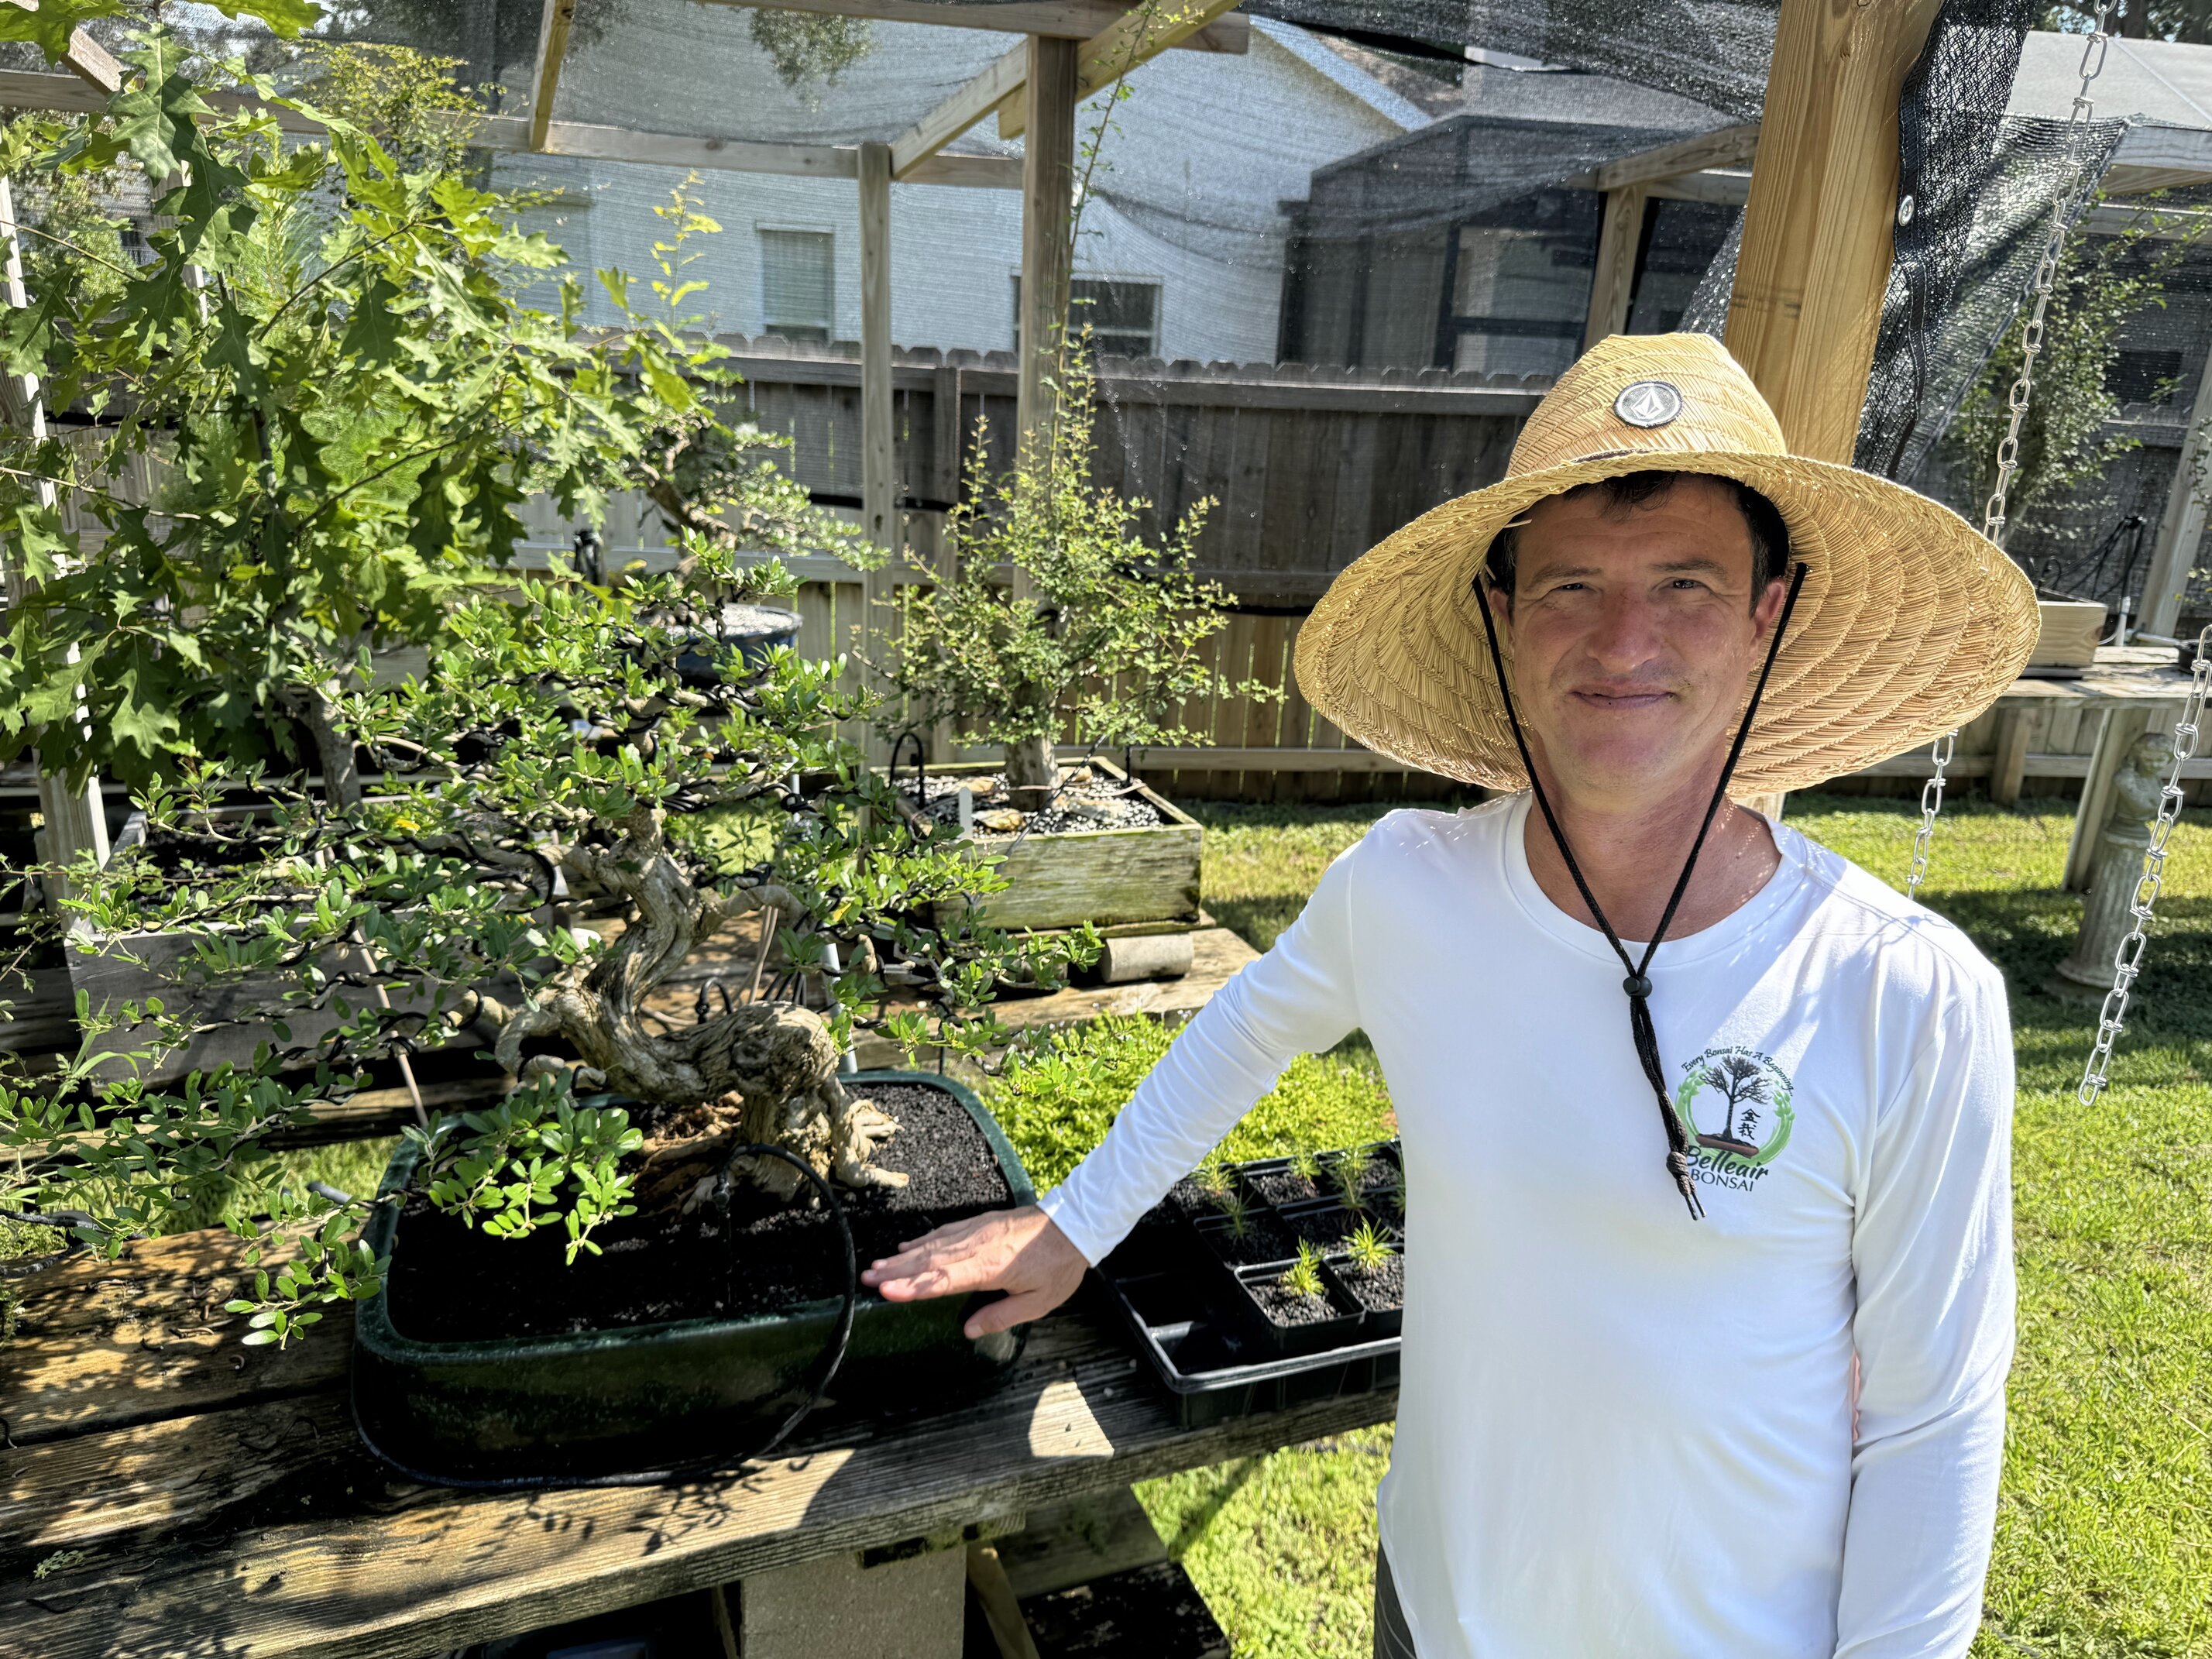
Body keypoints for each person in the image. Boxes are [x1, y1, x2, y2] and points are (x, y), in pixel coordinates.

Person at [864, 332, 2038, 1657]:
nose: (1625, 640)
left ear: (1769, 612)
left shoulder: (1905, 993)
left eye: (1688, 584)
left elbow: (1936, 1415)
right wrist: (1077, 1221)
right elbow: (1246, 1027)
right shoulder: (1406, 888)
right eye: (1572, 584)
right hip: (1433, 1609)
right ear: (1503, 610)